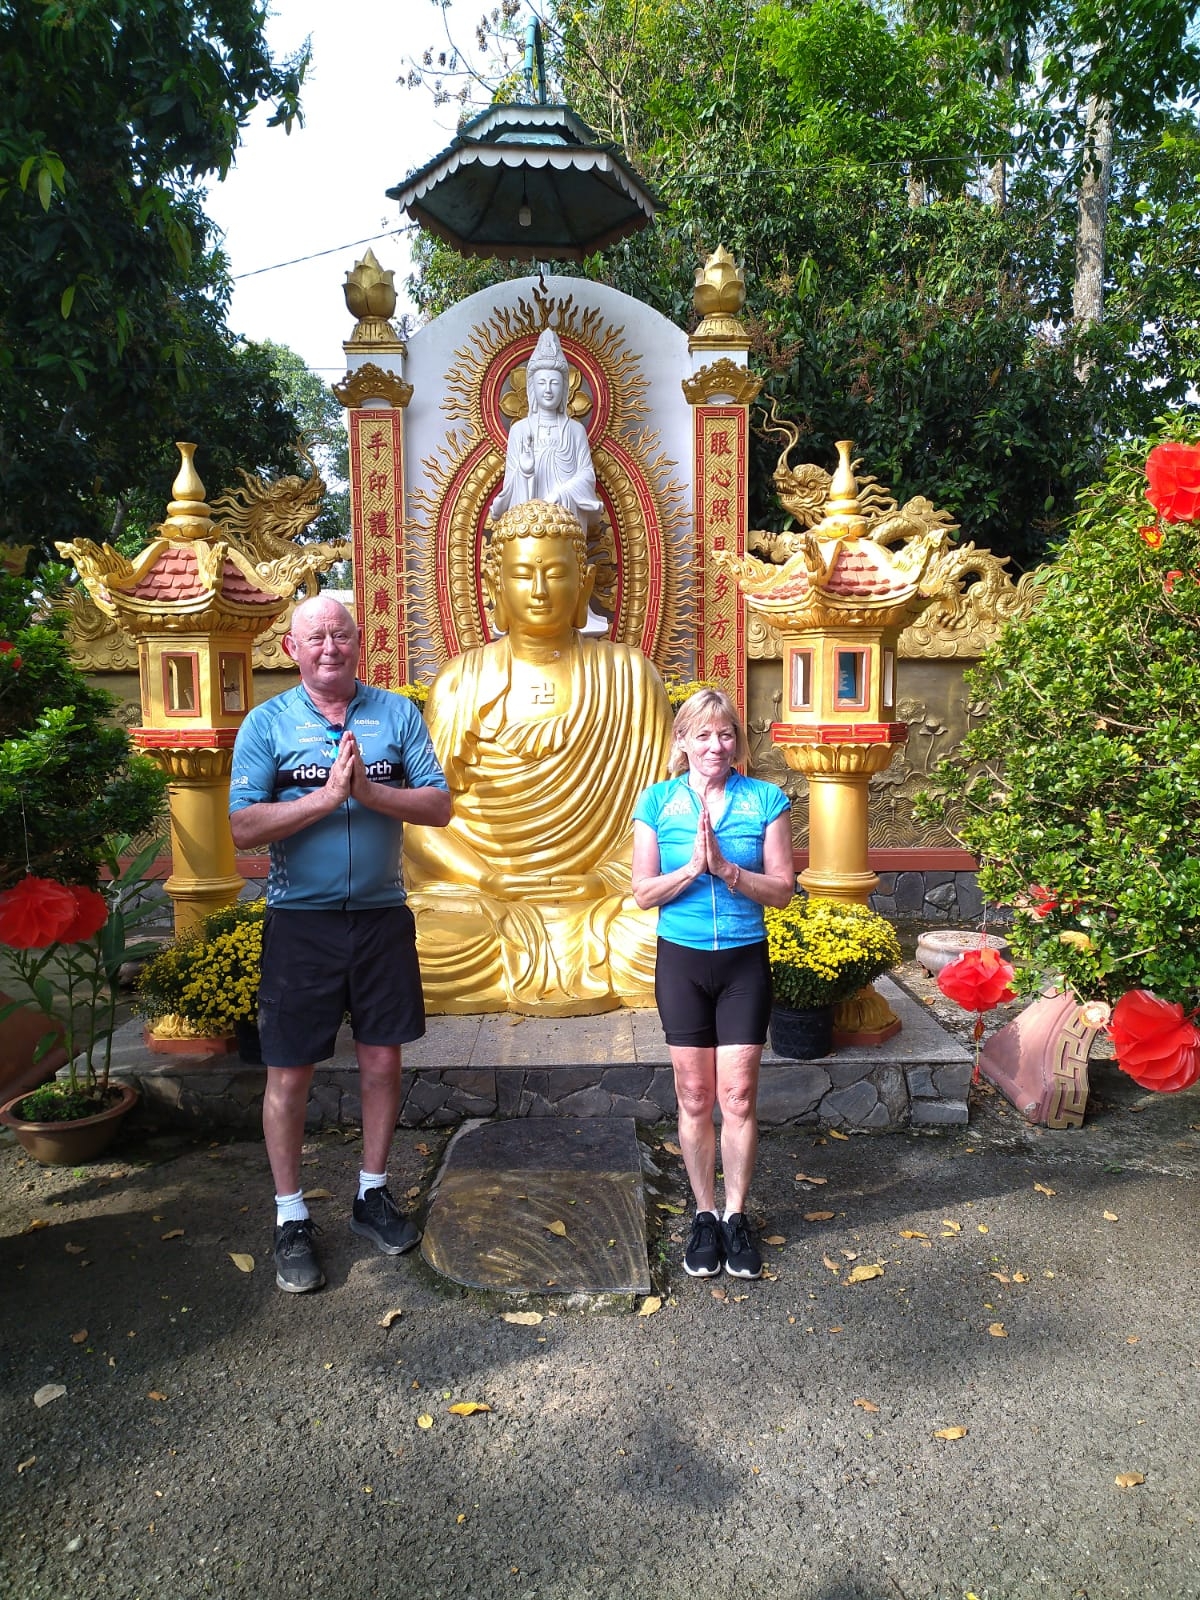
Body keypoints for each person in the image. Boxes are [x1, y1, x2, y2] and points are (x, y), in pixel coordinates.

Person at [229, 596, 451, 1293]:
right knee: (289, 1072)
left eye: (342, 634)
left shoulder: (397, 714)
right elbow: (242, 826)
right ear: (292, 648)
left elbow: (440, 804)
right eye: (316, 636)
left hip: (382, 916)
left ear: (360, 643)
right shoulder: (267, 724)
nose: (330, 646)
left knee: (382, 1060)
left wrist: (370, 794)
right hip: (301, 921)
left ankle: (372, 1192)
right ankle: (291, 1215)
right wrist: (323, 801)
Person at [404, 497, 673, 1014]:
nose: (540, 591)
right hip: (485, 901)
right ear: (493, 586)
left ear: (586, 584)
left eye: (555, 573)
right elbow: (419, 824)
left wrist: (606, 877)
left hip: (603, 901)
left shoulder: (631, 677)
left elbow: (665, 809)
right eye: (523, 574)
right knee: (418, 947)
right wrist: (488, 879)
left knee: (663, 941)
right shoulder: (461, 682)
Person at [631, 689, 794, 1280]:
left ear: (737, 742)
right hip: (683, 960)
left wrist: (727, 870)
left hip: (743, 963)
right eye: (701, 735)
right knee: (695, 1097)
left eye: (724, 734)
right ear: (682, 742)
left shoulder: (765, 800)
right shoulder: (656, 803)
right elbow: (643, 892)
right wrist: (692, 869)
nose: (714, 745)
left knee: (739, 1097)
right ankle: (702, 1215)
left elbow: (782, 889)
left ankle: (735, 1215)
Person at [489, 327, 604, 533]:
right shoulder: (520, 430)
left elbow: (587, 475)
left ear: (565, 388)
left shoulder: (575, 431)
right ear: (532, 388)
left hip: (566, 524)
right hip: (528, 527)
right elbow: (509, 488)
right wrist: (524, 472)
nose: (548, 389)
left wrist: (562, 493)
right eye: (542, 383)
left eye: (554, 383)